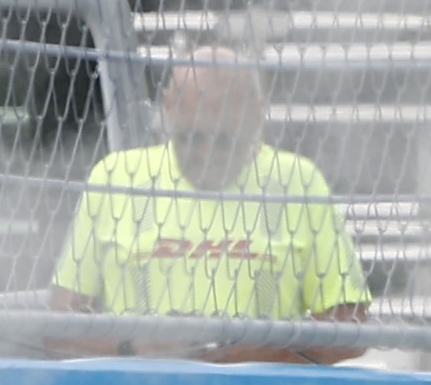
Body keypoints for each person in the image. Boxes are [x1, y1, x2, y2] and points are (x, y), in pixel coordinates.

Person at [49, 46, 371, 364]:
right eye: (191, 137)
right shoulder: (116, 177)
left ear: (257, 113)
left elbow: (350, 324)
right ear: (167, 107)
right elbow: (58, 324)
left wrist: (257, 351)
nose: (206, 154)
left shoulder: (296, 181)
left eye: (225, 141)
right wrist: (133, 346)